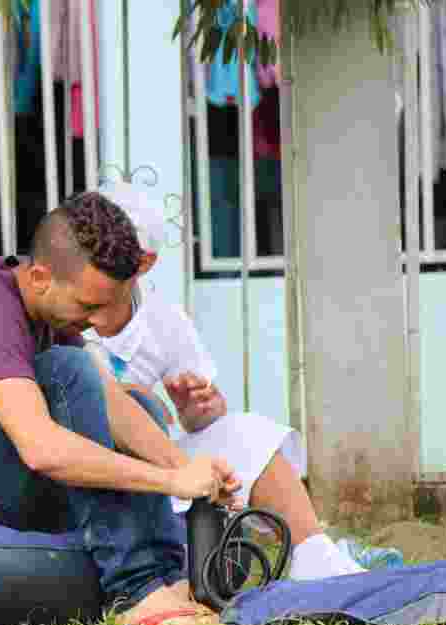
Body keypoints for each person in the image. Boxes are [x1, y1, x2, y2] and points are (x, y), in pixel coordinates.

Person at [0, 191, 241, 625]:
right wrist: (169, 480)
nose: (101, 323)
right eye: (90, 307)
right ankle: (136, 590)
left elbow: (116, 407)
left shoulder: (48, 306)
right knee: (68, 369)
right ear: (41, 276)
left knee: (137, 402)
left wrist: (193, 472)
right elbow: (41, 449)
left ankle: (165, 577)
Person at [83, 181, 366, 581]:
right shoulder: (55, 306)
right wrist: (134, 402)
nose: (95, 262)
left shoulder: (163, 319)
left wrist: (199, 409)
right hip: (84, 468)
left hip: (159, 467)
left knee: (245, 432)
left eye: (110, 253)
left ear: (145, 263)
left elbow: (204, 419)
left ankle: (314, 553)